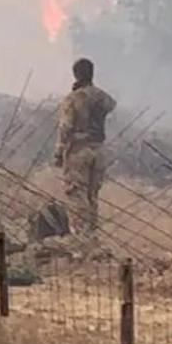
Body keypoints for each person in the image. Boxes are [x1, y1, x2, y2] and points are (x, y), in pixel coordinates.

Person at [53, 58, 117, 237]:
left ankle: (82, 239)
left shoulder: (73, 98)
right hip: (99, 149)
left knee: (76, 195)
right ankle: (92, 234)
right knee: (92, 195)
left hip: (78, 150)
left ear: (76, 74)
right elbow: (111, 105)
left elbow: (65, 127)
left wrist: (59, 152)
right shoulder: (102, 97)